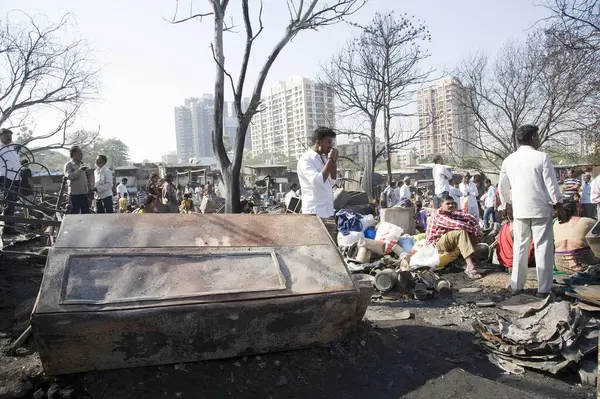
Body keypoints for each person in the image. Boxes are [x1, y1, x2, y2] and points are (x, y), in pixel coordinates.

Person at [498, 124, 565, 298]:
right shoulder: (542, 157)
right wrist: (559, 204)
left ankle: (516, 286)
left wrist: (507, 204)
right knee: (542, 248)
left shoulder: (509, 160)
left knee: (520, 247)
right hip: (540, 209)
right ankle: (543, 289)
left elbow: (503, 187)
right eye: (537, 137)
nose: (538, 140)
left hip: (520, 210)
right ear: (532, 138)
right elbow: (552, 185)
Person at [426, 195, 483, 279]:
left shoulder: (451, 213)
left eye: (452, 203)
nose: (451, 205)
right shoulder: (438, 215)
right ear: (441, 205)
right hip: (436, 245)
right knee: (461, 231)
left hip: (446, 242)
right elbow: (458, 224)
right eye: (447, 204)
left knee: (469, 231)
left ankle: (469, 260)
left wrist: (477, 228)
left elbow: (470, 217)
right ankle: (470, 268)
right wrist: (475, 230)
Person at [297, 126, 338, 242]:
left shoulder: (323, 159)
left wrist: (333, 162)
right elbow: (318, 181)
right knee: (317, 250)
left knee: (331, 250)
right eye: (328, 142)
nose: (331, 146)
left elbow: (333, 180)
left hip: (328, 212)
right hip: (315, 215)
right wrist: (330, 160)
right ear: (319, 142)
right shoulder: (306, 160)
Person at [553, 202, 598, 274]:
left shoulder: (556, 223)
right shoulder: (585, 221)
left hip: (560, 264)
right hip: (582, 265)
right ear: (577, 209)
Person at [64, 146, 90, 214]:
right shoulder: (69, 165)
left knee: (86, 213)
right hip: (74, 194)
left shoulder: (81, 164)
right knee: (74, 213)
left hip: (84, 193)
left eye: (81, 154)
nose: (81, 155)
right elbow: (69, 176)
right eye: (79, 153)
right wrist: (80, 170)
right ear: (74, 154)